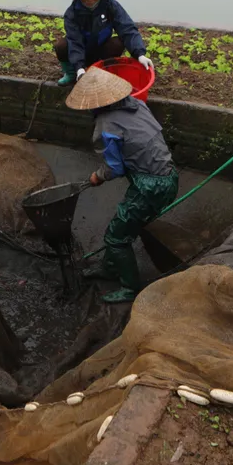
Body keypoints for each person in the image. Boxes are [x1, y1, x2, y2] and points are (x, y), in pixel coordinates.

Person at [65, 67, 178, 303]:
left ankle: (130, 288)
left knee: (116, 237)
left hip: (151, 186)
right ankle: (110, 267)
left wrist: (97, 176)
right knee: (120, 227)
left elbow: (115, 168)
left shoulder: (107, 126)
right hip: (168, 173)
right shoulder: (138, 104)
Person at [54, 0, 153, 87]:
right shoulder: (72, 13)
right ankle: (71, 74)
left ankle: (103, 70)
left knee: (117, 42)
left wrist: (140, 54)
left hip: (101, 50)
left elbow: (127, 29)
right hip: (82, 51)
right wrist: (79, 68)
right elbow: (75, 41)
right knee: (62, 45)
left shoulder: (110, 6)